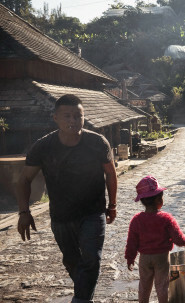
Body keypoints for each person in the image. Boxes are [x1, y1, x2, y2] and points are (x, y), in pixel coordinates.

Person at [16, 94, 118, 303]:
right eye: (67, 116)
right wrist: (24, 212)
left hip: (93, 211)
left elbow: (110, 173)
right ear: (55, 118)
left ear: (84, 117)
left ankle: (80, 299)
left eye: (78, 116)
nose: (73, 121)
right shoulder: (43, 147)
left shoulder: (97, 143)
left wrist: (113, 204)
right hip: (61, 216)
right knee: (72, 261)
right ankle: (83, 292)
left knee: (91, 258)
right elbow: (24, 179)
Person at [125, 176, 185, 303]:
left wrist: (130, 258)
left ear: (143, 201)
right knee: (162, 286)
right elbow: (178, 238)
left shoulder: (136, 220)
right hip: (161, 258)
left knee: (144, 286)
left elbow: (131, 243)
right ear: (159, 199)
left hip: (145, 258)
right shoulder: (166, 218)